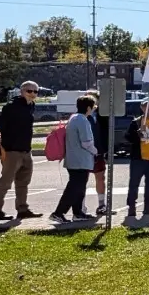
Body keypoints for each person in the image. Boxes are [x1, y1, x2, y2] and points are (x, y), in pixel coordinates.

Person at [0, 82, 40, 221]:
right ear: (22, 91)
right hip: (12, 150)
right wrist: (6, 145)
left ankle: (22, 209)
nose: (33, 94)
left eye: (36, 92)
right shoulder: (11, 106)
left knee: (23, 182)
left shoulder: (31, 106)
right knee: (5, 182)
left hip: (26, 150)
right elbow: (2, 127)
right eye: (30, 91)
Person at [51, 95, 98, 223]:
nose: (94, 109)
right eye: (93, 107)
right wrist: (96, 152)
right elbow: (86, 142)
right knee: (74, 188)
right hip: (80, 160)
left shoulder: (74, 118)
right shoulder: (82, 120)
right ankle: (58, 213)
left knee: (79, 188)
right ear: (88, 107)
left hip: (74, 159)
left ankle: (78, 213)